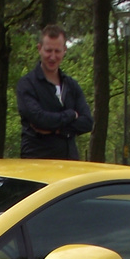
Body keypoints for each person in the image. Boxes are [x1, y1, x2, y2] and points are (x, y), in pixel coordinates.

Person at [15, 24, 93, 160]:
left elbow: (87, 122)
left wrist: (58, 129)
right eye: (48, 51)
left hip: (70, 163)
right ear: (39, 49)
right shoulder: (27, 84)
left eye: (57, 51)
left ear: (64, 50)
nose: (52, 57)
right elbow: (39, 119)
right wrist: (71, 114)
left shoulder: (72, 85)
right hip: (37, 163)